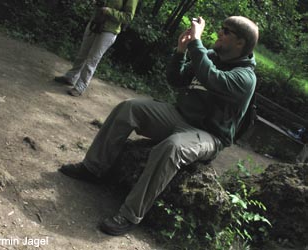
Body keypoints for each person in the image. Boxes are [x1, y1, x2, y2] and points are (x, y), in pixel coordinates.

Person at [58, 16, 259, 235]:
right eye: (222, 28)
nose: (220, 33)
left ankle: (129, 215)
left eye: (226, 31)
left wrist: (196, 42)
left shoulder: (245, 77)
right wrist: (180, 52)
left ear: (240, 43)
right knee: (129, 108)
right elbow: (176, 79)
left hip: (209, 135)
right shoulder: (210, 55)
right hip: (178, 115)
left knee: (172, 147)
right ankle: (93, 168)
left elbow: (212, 78)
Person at [54, 0, 139, 97]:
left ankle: (80, 87)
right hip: (95, 23)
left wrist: (109, 11)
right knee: (82, 53)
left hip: (109, 31)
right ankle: (70, 77)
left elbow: (128, 17)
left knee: (92, 59)